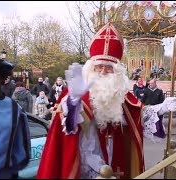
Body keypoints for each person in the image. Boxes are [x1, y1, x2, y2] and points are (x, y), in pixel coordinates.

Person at [37, 22, 150, 179]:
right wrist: (73, 105)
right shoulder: (75, 93)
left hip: (114, 157)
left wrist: (162, 109)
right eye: (99, 67)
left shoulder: (119, 93)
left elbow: (137, 114)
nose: (103, 71)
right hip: (85, 161)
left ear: (117, 72)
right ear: (91, 69)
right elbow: (67, 128)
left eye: (108, 67)